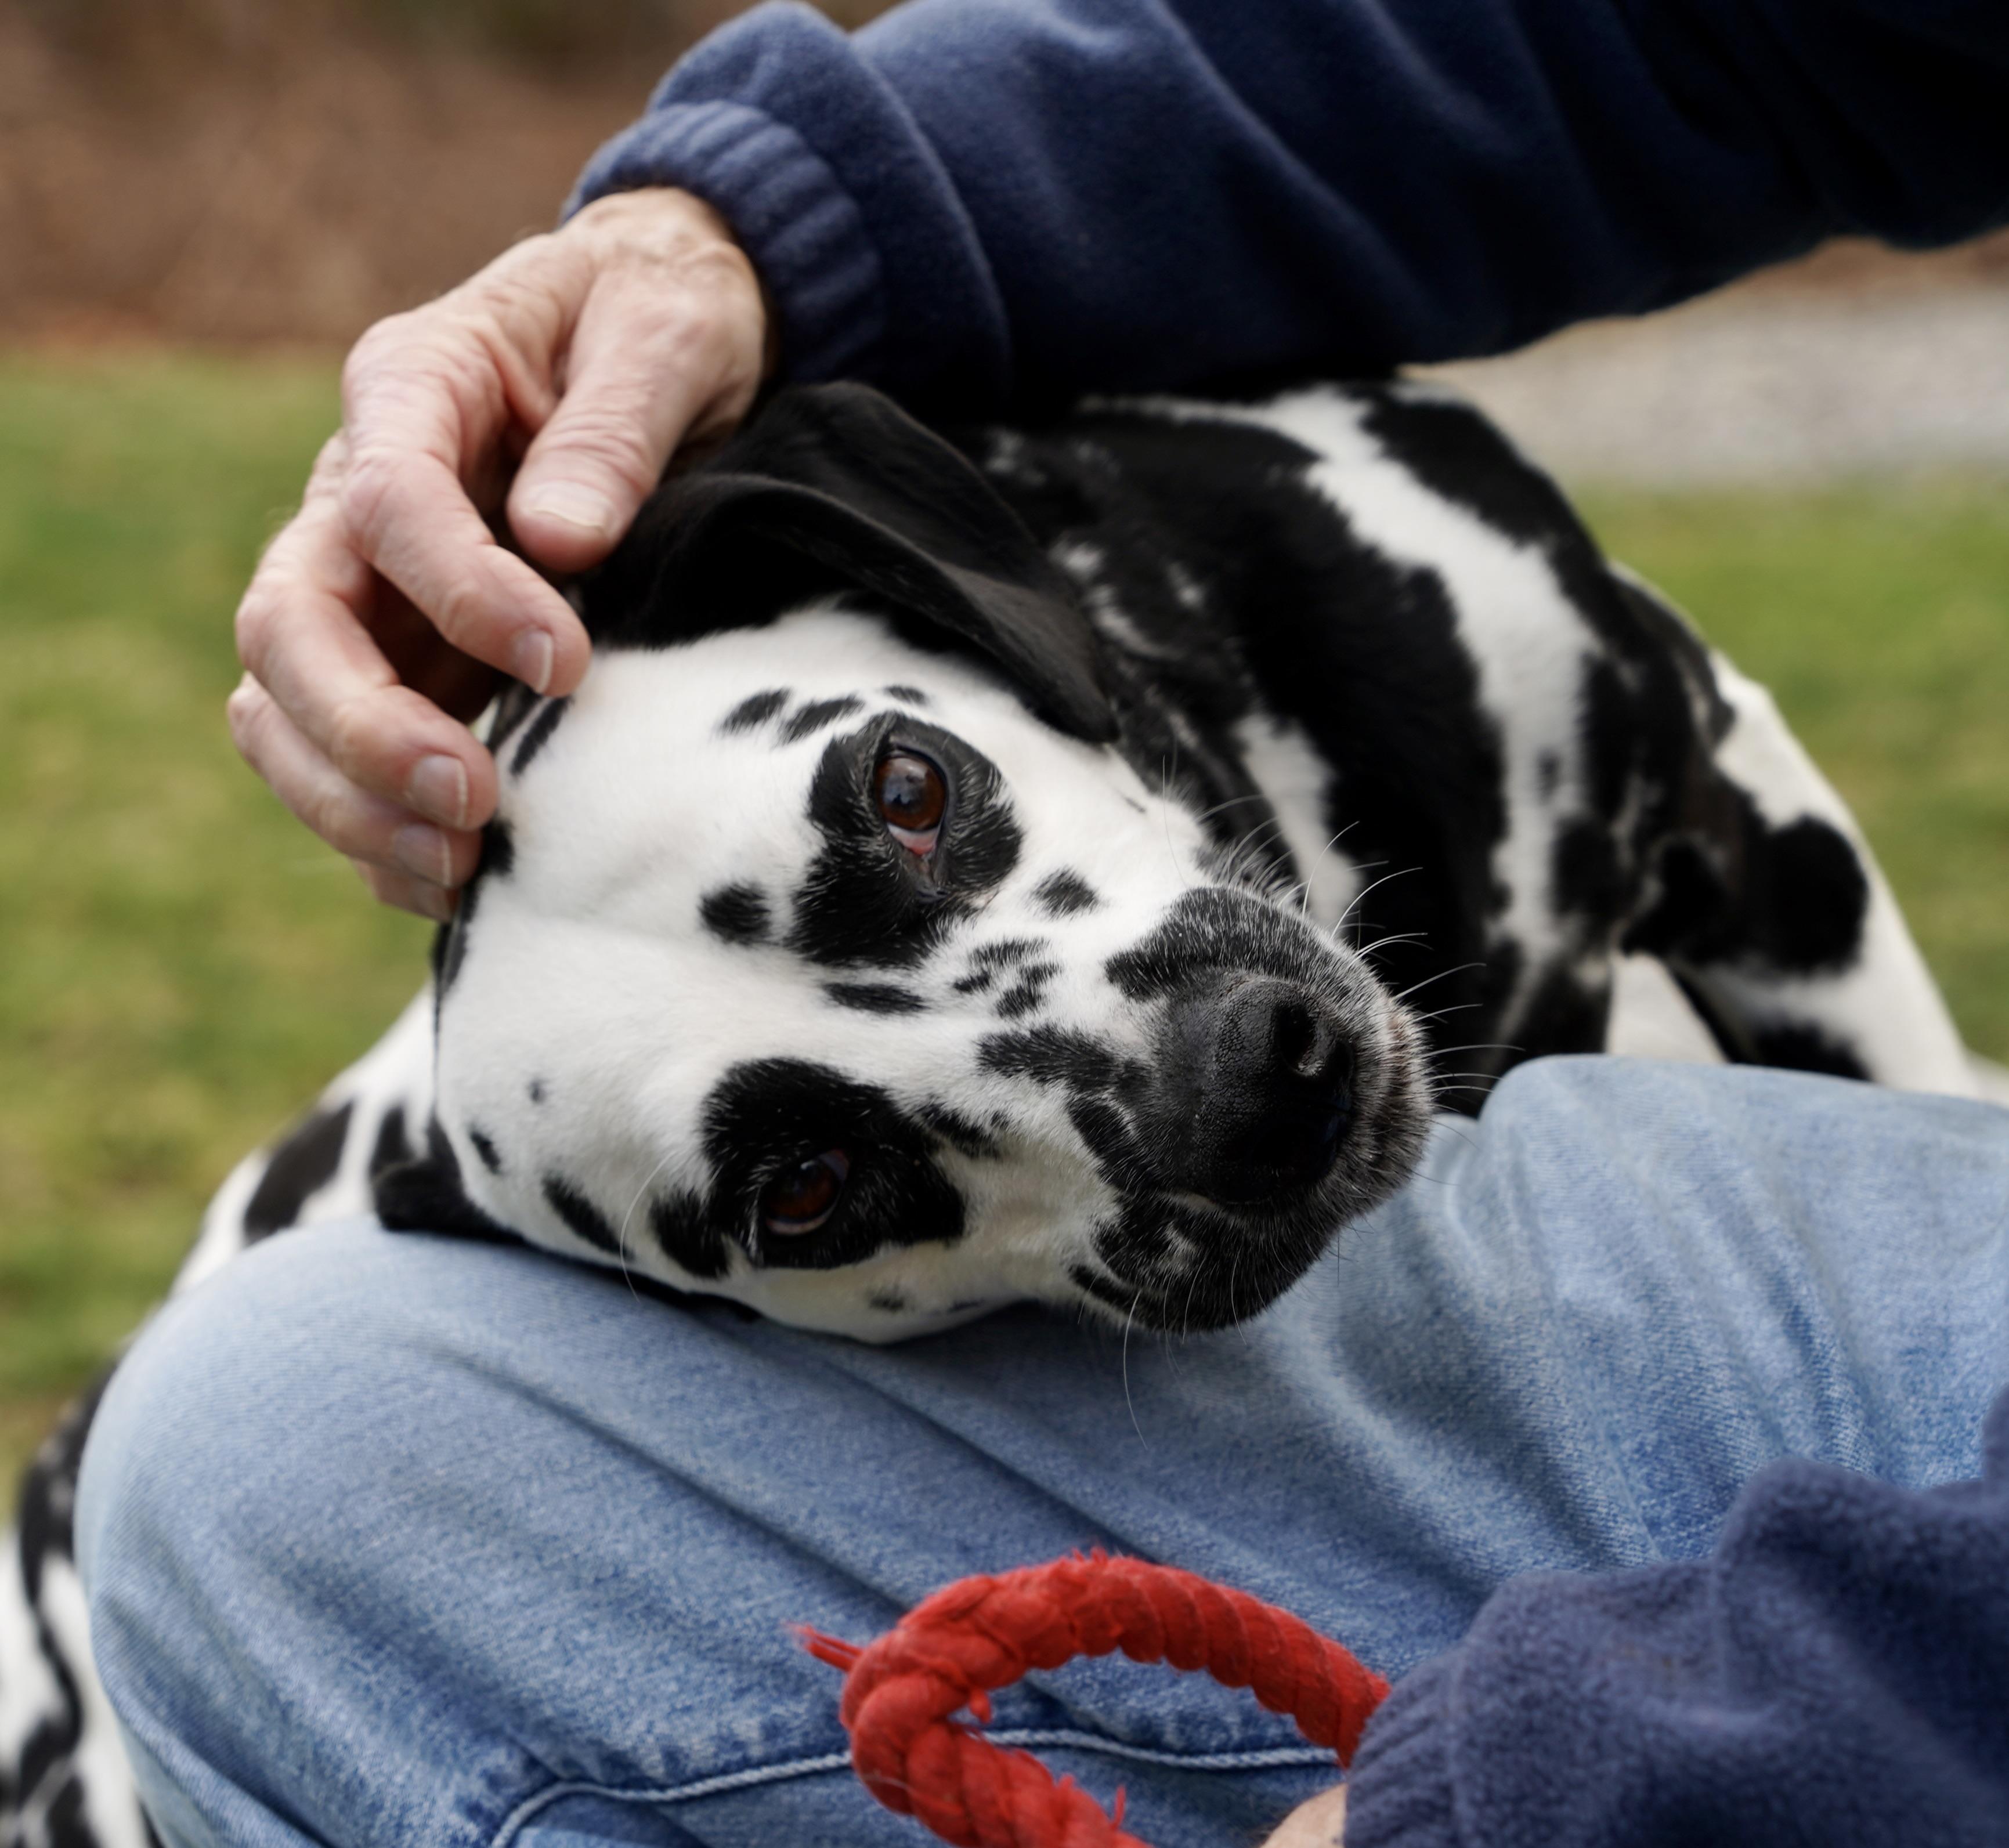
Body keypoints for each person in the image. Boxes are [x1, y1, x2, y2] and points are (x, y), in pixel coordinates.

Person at [80, 3, 2009, 1844]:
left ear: (937, 602)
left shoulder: (1415, 603)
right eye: (812, 1194)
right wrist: (757, 227)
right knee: (218, 1451)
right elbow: (1668, 28)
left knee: (240, 1490)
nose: (1150, 1081)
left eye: (909, 808)